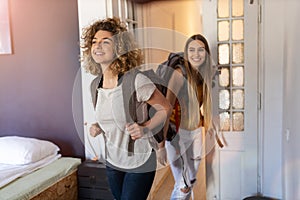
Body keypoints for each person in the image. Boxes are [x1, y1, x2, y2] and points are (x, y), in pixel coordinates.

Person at [80, 17, 171, 200]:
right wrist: (98, 126)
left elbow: (165, 108)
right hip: (113, 161)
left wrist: (145, 127)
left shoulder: (136, 80)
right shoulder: (94, 86)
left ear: (119, 49)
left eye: (105, 42)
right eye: (94, 42)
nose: (98, 46)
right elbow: (113, 115)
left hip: (140, 159)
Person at [164, 34, 215, 200]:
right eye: (192, 50)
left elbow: (205, 103)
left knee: (189, 179)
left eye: (200, 50)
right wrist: (160, 144)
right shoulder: (179, 74)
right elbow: (165, 107)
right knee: (184, 184)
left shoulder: (204, 74)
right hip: (175, 132)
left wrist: (210, 127)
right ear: (186, 54)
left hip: (194, 129)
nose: (196, 54)